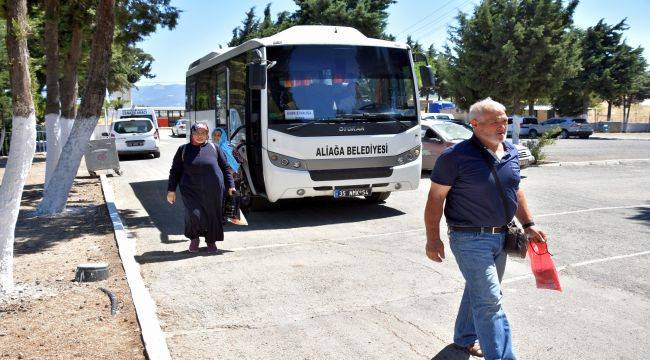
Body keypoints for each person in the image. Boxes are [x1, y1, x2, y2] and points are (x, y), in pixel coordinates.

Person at [423, 98, 547, 359]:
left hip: (502, 236)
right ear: (475, 124)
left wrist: (529, 224)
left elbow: (516, 190)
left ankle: (465, 337)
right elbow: (435, 199)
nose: (502, 125)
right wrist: (432, 239)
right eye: (495, 121)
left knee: (479, 291)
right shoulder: (455, 157)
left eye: (504, 119)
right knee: (490, 300)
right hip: (468, 238)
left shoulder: (511, 151)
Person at [167, 122, 236, 253]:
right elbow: (174, 171)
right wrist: (171, 190)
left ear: (207, 134)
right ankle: (194, 239)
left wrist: (231, 185)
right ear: (191, 134)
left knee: (212, 215)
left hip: (213, 190)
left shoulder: (214, 148)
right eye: (196, 133)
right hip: (190, 190)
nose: (200, 136)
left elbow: (226, 168)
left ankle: (211, 241)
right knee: (193, 215)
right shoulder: (183, 150)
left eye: (203, 133)